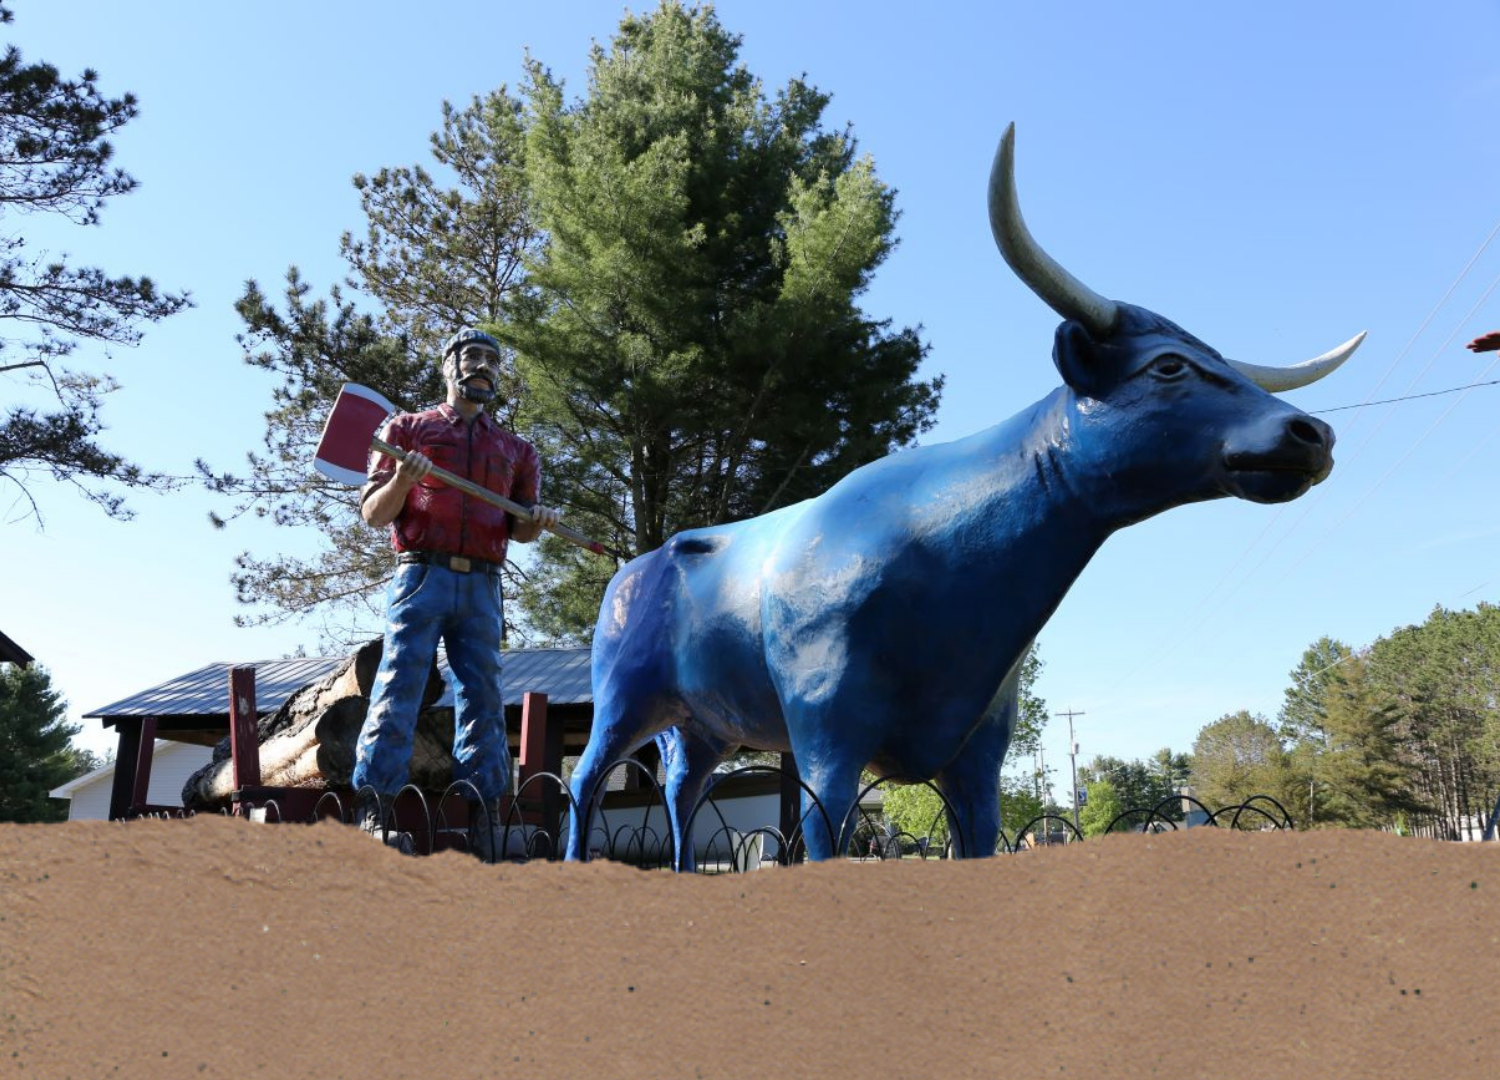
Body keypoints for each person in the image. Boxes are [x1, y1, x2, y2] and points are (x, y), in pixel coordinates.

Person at [351, 328, 559, 858]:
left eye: (492, 359)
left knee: (484, 698)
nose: (483, 367)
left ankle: (483, 816)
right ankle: (375, 810)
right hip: (421, 574)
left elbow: (522, 529)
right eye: (472, 356)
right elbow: (374, 514)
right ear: (449, 366)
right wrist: (401, 478)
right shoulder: (406, 428)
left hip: (484, 585)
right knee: (398, 688)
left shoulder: (517, 449)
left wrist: (537, 519)